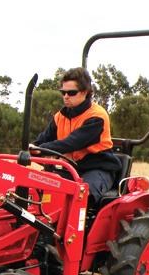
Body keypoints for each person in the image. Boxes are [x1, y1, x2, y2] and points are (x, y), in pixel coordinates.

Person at [29, 67, 120, 207]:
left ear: (85, 92)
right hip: (70, 169)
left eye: (71, 93)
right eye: (63, 92)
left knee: (82, 194)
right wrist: (32, 147)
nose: (66, 96)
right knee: (38, 187)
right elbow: (43, 139)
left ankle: (80, 220)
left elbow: (72, 143)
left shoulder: (97, 116)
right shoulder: (60, 116)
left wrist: (41, 149)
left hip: (97, 169)